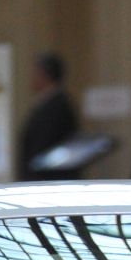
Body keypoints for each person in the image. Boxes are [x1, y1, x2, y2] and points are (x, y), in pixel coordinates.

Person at [17, 50, 79, 179]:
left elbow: (44, 148)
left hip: (49, 180)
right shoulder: (47, 103)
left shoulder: (57, 106)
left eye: (35, 73)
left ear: (44, 75)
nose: (31, 78)